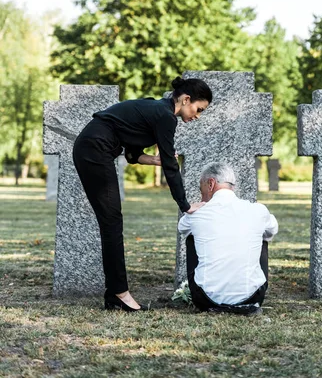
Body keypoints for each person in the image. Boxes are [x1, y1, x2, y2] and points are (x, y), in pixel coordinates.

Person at [73, 76, 212, 312]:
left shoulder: (157, 109)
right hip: (94, 149)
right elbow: (171, 166)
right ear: (186, 99)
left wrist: (153, 159)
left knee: (111, 222)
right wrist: (185, 205)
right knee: (111, 222)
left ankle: (115, 293)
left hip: (92, 147)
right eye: (198, 109)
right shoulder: (165, 116)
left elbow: (131, 154)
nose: (197, 115)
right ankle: (119, 293)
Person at [178, 161, 278, 315]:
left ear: (210, 184)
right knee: (263, 235)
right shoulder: (258, 210)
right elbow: (273, 230)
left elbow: (182, 228)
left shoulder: (197, 214)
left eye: (201, 188)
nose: (201, 195)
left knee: (191, 236)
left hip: (205, 299)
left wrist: (192, 210)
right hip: (252, 298)